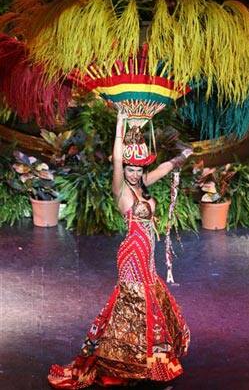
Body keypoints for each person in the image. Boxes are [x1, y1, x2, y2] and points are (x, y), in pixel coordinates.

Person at [47, 111, 192, 389]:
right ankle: (129, 363)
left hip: (147, 255)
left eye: (138, 170)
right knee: (135, 306)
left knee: (148, 302)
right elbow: (117, 161)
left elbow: (162, 170)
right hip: (131, 254)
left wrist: (182, 156)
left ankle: (146, 362)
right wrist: (120, 122)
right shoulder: (121, 190)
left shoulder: (142, 186)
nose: (135, 174)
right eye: (130, 169)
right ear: (123, 168)